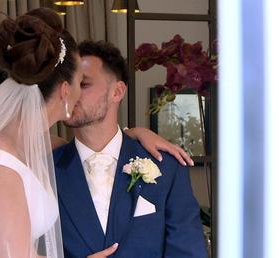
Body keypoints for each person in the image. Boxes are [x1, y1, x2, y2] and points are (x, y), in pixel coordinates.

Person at [0, 8, 192, 258]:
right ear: (64, 91)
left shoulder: (37, 146)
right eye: (79, 84)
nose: (79, 94)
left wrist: (135, 133)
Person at [54, 40, 207, 258]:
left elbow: (188, 253)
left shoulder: (167, 167)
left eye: (84, 84)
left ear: (117, 92)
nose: (71, 94)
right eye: (67, 84)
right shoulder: (46, 169)